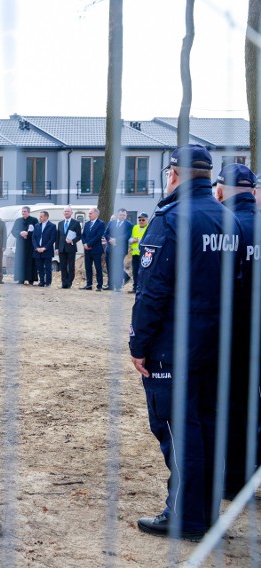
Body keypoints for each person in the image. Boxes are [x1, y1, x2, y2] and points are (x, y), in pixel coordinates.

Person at [131, 144, 241, 541]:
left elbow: (152, 291)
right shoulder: (225, 217)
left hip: (173, 344)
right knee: (208, 426)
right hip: (216, 342)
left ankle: (184, 516)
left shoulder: (171, 219)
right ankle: (205, 512)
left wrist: (138, 343)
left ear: (173, 174)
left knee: (178, 429)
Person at [214, 163, 260, 499]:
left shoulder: (226, 226)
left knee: (234, 406)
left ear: (221, 189)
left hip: (235, 332)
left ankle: (234, 479)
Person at [104, 208, 133, 291]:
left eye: (124, 215)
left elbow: (126, 235)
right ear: (117, 215)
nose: (122, 216)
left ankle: (118, 286)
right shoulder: (111, 223)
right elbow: (106, 232)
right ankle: (110, 285)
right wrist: (109, 239)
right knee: (109, 266)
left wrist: (115, 240)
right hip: (110, 248)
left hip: (121, 249)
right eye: (121, 215)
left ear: (126, 216)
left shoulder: (129, 225)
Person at [56, 206, 82, 289]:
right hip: (61, 248)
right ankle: (64, 283)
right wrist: (56, 248)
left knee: (70, 266)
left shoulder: (76, 223)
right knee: (62, 266)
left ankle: (69, 282)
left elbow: (79, 236)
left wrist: (72, 241)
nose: (66, 213)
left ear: (71, 213)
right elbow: (58, 237)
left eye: (68, 211)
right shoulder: (60, 223)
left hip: (71, 247)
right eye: (65, 211)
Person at [81, 207, 105, 291]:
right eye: (89, 213)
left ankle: (99, 285)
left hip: (96, 249)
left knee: (98, 268)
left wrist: (89, 244)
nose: (89, 215)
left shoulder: (101, 224)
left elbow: (98, 236)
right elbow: (83, 235)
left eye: (90, 213)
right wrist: (84, 244)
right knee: (88, 267)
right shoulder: (87, 224)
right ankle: (89, 284)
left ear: (96, 214)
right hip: (87, 250)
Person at [12, 206, 38, 285]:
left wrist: (28, 233)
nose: (23, 213)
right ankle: (20, 279)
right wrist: (20, 233)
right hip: (21, 244)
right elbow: (13, 231)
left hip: (30, 244)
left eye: (25, 211)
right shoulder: (18, 220)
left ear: (29, 212)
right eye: (22, 211)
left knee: (31, 262)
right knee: (21, 261)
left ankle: (31, 279)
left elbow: (37, 231)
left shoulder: (34, 220)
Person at [32, 210, 56, 287]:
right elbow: (34, 238)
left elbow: (52, 239)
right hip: (37, 250)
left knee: (48, 267)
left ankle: (48, 282)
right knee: (40, 267)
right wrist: (37, 247)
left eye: (41, 216)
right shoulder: (37, 226)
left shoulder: (52, 226)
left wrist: (45, 248)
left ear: (46, 217)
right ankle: (41, 281)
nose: (40, 218)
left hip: (47, 250)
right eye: (40, 216)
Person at [128, 213, 149, 294]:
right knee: (135, 271)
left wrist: (138, 240)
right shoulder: (135, 227)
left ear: (147, 220)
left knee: (143, 272)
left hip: (145, 254)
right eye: (139, 220)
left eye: (143, 220)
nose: (141, 221)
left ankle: (142, 287)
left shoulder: (149, 228)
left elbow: (149, 239)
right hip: (135, 253)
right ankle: (135, 287)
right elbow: (130, 238)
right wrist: (132, 240)